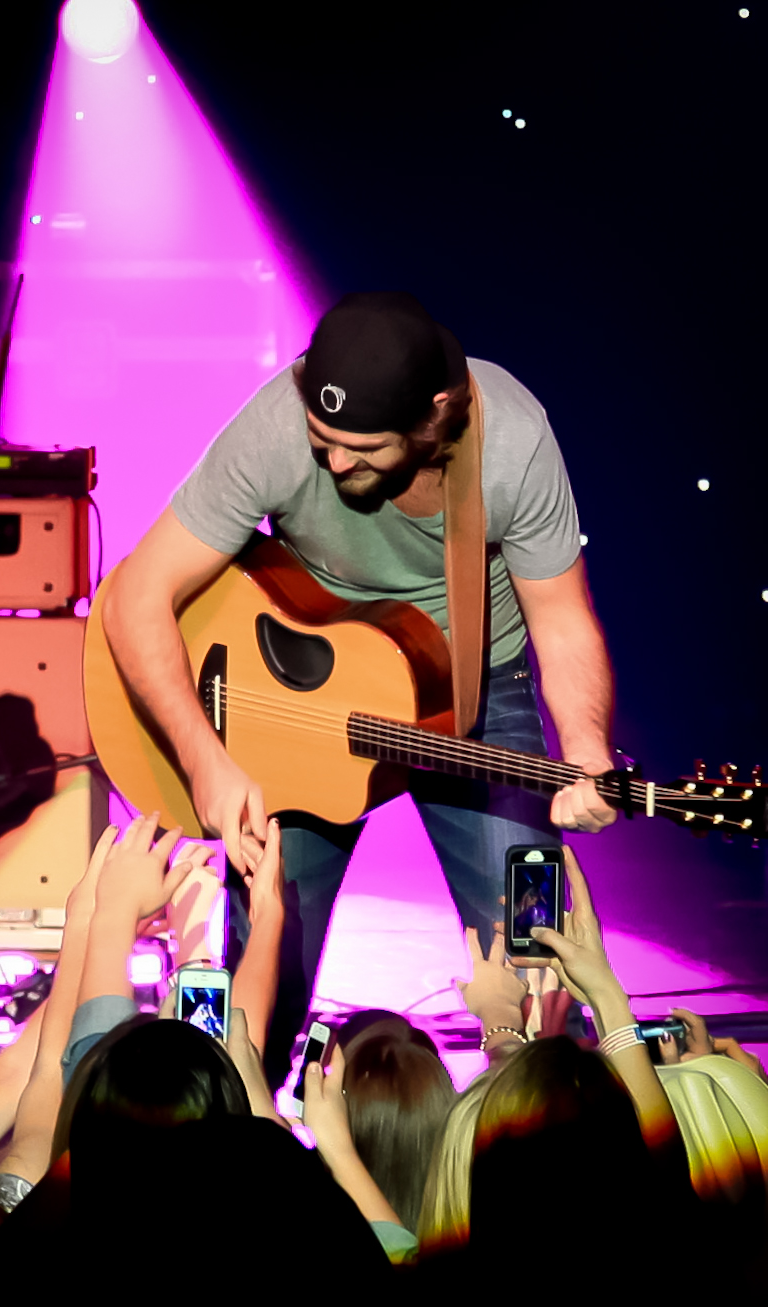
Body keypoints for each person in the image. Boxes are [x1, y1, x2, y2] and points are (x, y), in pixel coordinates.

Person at [102, 291, 618, 1081]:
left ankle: (542, 1128)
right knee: (263, 968)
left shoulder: (512, 438)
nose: (337, 464)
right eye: (324, 442)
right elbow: (135, 598)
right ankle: (236, 1128)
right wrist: (205, 759)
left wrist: (584, 747)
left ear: (433, 416)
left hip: (478, 690)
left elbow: (562, 618)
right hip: (304, 694)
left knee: (535, 959)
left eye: (363, 447)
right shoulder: (277, 425)